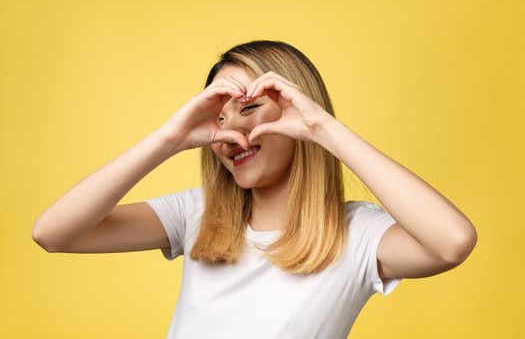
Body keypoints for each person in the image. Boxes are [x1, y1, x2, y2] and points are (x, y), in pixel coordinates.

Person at [32, 40, 478, 338]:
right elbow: (53, 233)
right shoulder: (199, 214)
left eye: (249, 109)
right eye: (219, 118)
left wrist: (322, 128)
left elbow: (452, 242)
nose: (231, 134)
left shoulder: (356, 233)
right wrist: (168, 139)